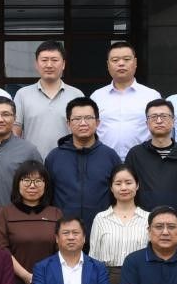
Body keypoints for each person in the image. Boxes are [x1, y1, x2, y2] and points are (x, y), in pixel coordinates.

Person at [45, 97, 121, 232]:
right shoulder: (54, 157)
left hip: (104, 231)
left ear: (97, 122)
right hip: (65, 233)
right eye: (77, 119)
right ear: (68, 123)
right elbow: (47, 197)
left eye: (88, 118)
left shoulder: (110, 156)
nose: (83, 123)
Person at [126, 99, 177, 226]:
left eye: (164, 116)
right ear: (147, 123)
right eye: (153, 117)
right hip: (142, 227)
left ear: (173, 121)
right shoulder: (135, 154)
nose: (159, 121)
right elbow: (128, 194)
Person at [90, 41, 161, 159]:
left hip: (143, 161)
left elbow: (162, 131)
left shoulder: (152, 96)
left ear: (135, 63)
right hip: (104, 160)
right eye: (115, 60)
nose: (121, 63)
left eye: (127, 59)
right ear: (108, 65)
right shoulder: (96, 97)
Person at [13, 41, 85, 157]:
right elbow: (15, 132)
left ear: (63, 64)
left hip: (68, 160)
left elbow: (84, 132)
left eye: (54, 60)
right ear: (36, 64)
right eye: (44, 60)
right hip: (32, 163)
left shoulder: (76, 95)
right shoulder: (22, 95)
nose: (49, 65)